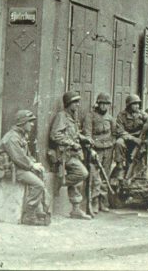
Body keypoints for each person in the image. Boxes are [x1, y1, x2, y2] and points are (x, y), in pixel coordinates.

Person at [0, 110, 48, 226]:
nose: (32, 124)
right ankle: (29, 216)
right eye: (30, 122)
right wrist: (32, 165)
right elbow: (18, 158)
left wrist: (35, 164)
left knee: (41, 175)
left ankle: (39, 211)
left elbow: (27, 155)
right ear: (22, 122)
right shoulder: (11, 137)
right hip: (13, 170)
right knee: (38, 184)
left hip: (20, 168)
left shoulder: (21, 135)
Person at [50, 91, 92, 220]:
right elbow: (55, 135)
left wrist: (84, 138)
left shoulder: (72, 117)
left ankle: (75, 210)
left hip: (74, 153)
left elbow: (73, 133)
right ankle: (57, 184)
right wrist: (72, 143)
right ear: (69, 104)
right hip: (65, 154)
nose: (78, 105)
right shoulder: (61, 116)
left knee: (77, 182)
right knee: (82, 173)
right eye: (75, 102)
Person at [82, 92, 115, 213]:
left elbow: (115, 134)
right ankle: (94, 202)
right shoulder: (90, 116)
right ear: (98, 104)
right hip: (95, 150)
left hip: (108, 149)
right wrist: (91, 148)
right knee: (94, 176)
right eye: (102, 104)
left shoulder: (110, 118)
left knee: (105, 176)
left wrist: (111, 144)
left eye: (107, 104)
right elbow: (87, 134)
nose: (104, 107)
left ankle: (103, 202)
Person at [113, 94, 148, 181]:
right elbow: (120, 131)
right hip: (127, 139)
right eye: (135, 104)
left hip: (139, 139)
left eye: (138, 104)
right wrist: (133, 139)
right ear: (129, 105)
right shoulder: (121, 115)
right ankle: (119, 168)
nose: (137, 106)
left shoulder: (142, 114)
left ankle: (141, 171)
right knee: (118, 143)